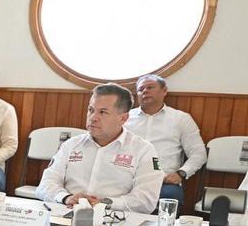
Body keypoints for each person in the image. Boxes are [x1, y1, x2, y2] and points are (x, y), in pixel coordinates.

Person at [38, 84, 164, 213]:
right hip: (66, 213)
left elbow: (146, 200)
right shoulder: (70, 145)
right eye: (91, 110)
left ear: (123, 118)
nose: (93, 118)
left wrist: (104, 203)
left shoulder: (143, 150)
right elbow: (46, 184)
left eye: (103, 112)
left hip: (115, 219)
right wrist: (66, 197)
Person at [125, 73, 206, 204]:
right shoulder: (124, 118)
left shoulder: (181, 119)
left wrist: (181, 173)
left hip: (164, 181)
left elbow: (199, 153)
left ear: (164, 91)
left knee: (170, 197)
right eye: (140, 89)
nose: (145, 91)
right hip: (126, 178)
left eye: (150, 87)